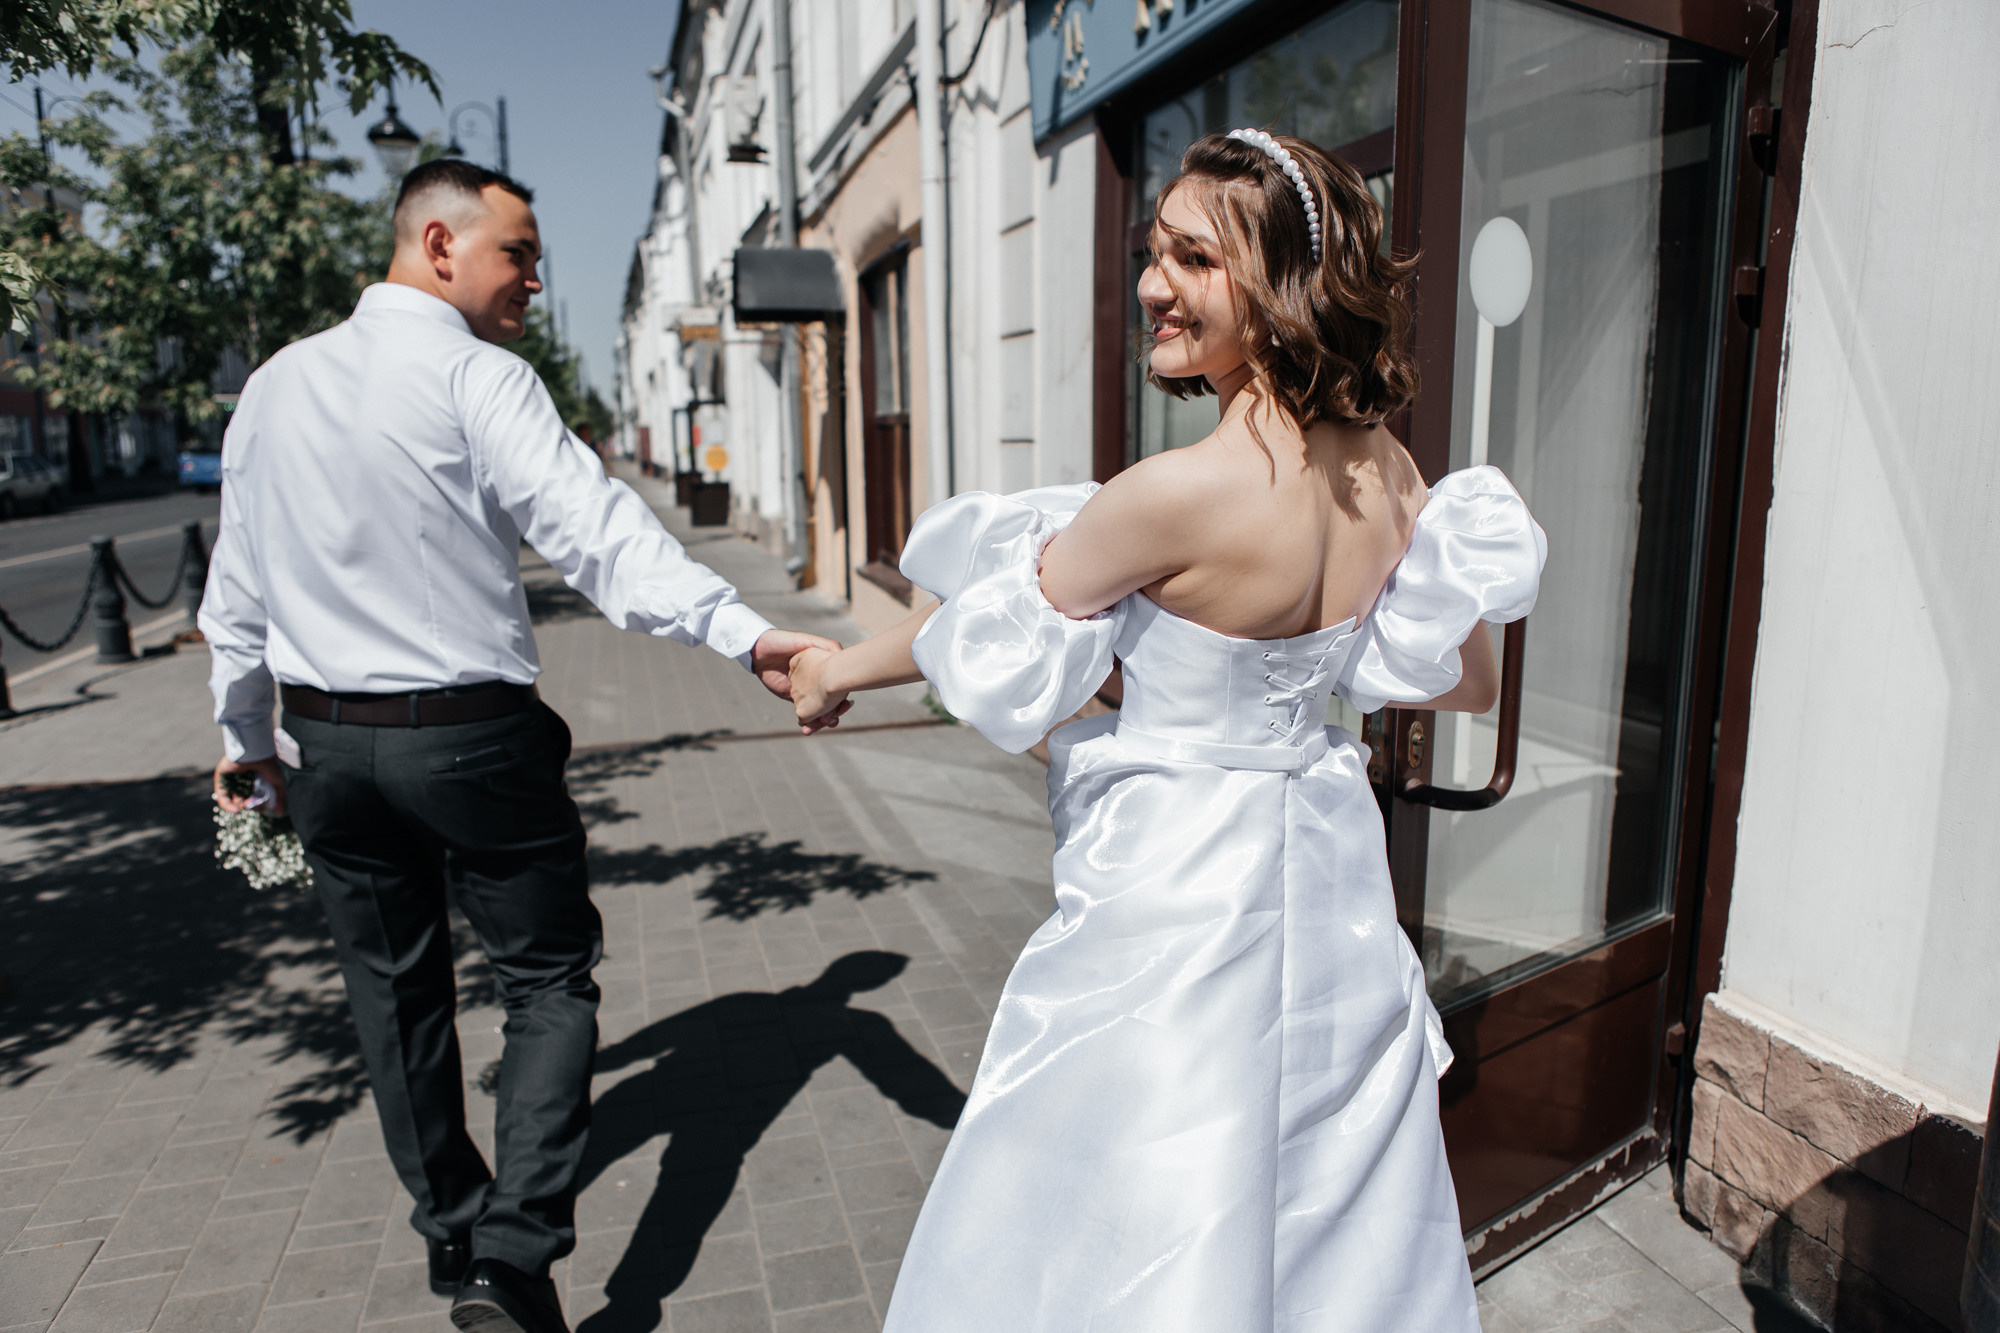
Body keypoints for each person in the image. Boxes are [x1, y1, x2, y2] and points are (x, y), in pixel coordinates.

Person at [785, 130, 1546, 1330]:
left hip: (1177, 884)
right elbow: (1465, 684)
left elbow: (988, 646)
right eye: (1154, 252)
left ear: (1282, 281)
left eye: (1191, 257)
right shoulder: (1394, 476)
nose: (1152, 284)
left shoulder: (1170, 496)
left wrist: (835, 665)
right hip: (1329, 873)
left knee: (1135, 1186)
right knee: (1320, 1186)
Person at [199, 159, 844, 1333]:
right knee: (545, 981)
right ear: (438, 243)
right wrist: (745, 635)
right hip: (469, 740)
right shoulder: (474, 376)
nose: (537, 281)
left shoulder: (274, 387)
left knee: (393, 998)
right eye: (519, 254)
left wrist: (244, 744)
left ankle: (452, 1231)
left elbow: (233, 596)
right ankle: (511, 1256)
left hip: (324, 746)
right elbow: (600, 539)